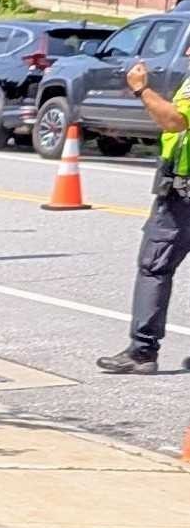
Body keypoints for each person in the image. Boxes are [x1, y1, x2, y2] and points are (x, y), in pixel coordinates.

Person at [97, 56, 190, 373]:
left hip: (183, 194)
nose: (188, 52)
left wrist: (141, 90)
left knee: (154, 267)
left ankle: (142, 350)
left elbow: (176, 121)